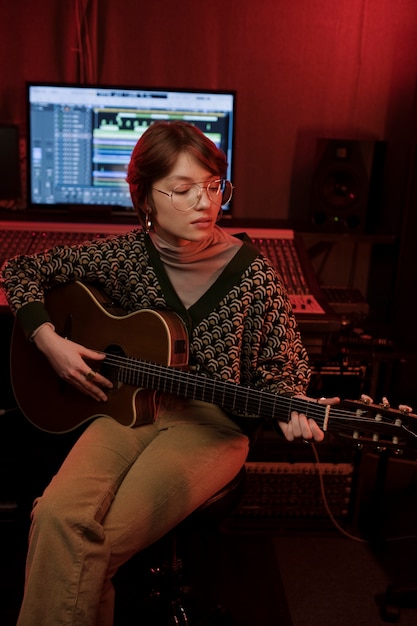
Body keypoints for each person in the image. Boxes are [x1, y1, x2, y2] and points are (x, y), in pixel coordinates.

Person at [0, 120, 332, 626]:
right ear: (145, 198)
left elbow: (282, 362)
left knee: (93, 546)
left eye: (212, 186)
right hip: (132, 409)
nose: (204, 203)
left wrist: (288, 406)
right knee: (55, 516)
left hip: (212, 426)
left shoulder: (252, 272)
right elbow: (20, 272)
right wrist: (51, 342)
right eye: (182, 190)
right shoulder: (125, 256)